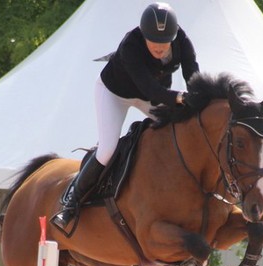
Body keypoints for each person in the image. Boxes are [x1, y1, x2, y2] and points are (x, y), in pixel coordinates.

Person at [52, 2, 200, 230]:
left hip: (150, 96)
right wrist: (181, 98)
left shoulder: (182, 40)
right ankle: (71, 204)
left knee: (174, 136)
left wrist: (201, 96)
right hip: (114, 94)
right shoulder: (131, 44)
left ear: (174, 36)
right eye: (153, 41)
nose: (159, 48)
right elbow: (151, 89)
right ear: (143, 35)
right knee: (108, 149)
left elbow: (193, 76)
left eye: (164, 42)